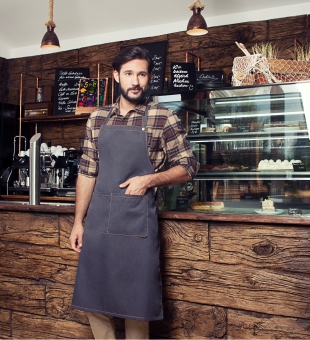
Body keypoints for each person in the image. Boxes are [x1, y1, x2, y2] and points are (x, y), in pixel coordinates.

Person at [69, 45, 199, 339]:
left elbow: (189, 165)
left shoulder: (162, 117)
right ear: (116, 76)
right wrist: (78, 221)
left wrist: (149, 180)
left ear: (149, 77)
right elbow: (88, 172)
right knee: (94, 297)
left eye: (141, 74)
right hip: (100, 221)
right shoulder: (98, 118)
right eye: (129, 74)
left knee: (136, 303)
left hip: (137, 222)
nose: (135, 81)